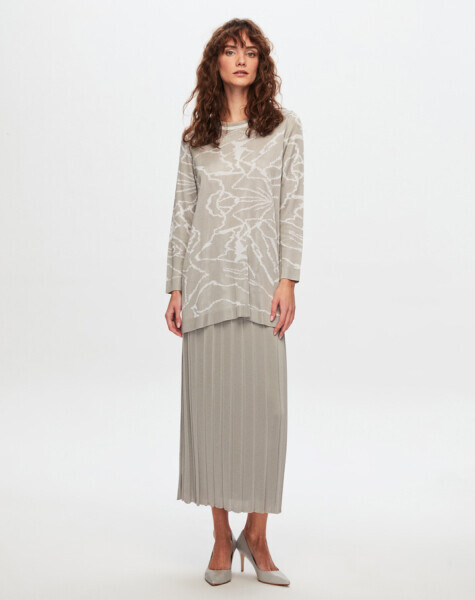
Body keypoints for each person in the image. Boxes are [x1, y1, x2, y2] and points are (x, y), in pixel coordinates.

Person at [165, 18, 304, 586]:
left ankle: (259, 536)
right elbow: (182, 213)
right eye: (230, 50)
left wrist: (289, 279)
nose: (241, 59)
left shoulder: (286, 129)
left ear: (261, 63)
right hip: (206, 287)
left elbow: (292, 205)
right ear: (215, 63)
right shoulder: (195, 138)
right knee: (214, 416)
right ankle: (222, 538)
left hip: (262, 286)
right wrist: (175, 286)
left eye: (250, 51)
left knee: (266, 416)